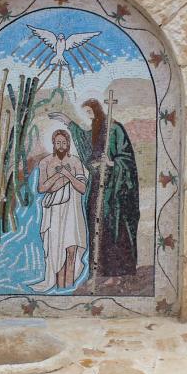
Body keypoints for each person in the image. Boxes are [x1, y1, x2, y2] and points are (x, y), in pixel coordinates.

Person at [49, 98, 139, 286]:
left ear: (97, 110)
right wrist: (69, 122)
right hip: (97, 186)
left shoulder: (115, 129)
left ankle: (116, 274)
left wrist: (111, 163)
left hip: (114, 191)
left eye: (90, 112)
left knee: (112, 228)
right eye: (86, 113)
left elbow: (127, 159)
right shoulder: (97, 130)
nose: (89, 117)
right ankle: (98, 272)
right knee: (95, 226)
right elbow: (86, 145)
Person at [29, 130, 89, 291]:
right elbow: (42, 188)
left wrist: (68, 175)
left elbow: (82, 188)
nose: (61, 146)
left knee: (71, 249)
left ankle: (68, 287)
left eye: (64, 143)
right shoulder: (46, 162)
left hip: (72, 212)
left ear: (68, 144)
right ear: (53, 144)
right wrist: (58, 176)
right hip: (54, 212)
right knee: (57, 252)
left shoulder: (76, 162)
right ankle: (60, 288)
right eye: (58, 143)